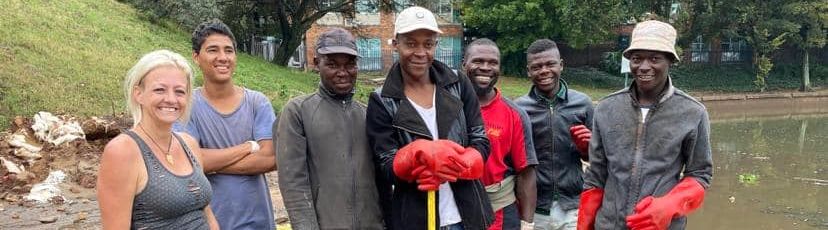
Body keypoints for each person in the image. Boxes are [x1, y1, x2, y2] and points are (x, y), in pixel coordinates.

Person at [366, 6, 494, 230]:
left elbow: (480, 141)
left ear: (435, 45)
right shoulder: (382, 100)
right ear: (396, 45)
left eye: (428, 43)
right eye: (411, 43)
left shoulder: (458, 83)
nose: (420, 52)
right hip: (416, 219)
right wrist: (414, 156)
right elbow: (385, 165)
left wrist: (461, 164)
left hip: (467, 216)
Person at [579, 20, 712, 230]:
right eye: (637, 58)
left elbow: (700, 174)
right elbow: (595, 176)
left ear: (670, 61)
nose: (643, 67)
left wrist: (669, 205)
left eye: (654, 58)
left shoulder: (693, 113)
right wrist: (584, 225)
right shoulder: (606, 108)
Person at [97, 49, 218, 229]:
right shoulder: (123, 151)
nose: (171, 99)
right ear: (138, 94)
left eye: (179, 92)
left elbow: (206, 213)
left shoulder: (189, 144)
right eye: (160, 90)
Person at [275, 27, 384, 229]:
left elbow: (382, 181)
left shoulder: (368, 113)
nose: (342, 73)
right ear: (317, 63)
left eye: (350, 64)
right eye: (332, 64)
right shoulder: (299, 111)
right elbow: (293, 184)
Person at [175, 19, 278, 229]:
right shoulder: (186, 107)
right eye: (213, 50)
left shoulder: (257, 103)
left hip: (259, 222)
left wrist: (209, 164)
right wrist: (248, 147)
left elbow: (270, 158)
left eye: (228, 51)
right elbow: (187, 160)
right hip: (209, 223)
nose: (223, 57)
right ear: (196, 57)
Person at [513, 39, 594, 230]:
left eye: (550, 64)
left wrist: (586, 148)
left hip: (572, 205)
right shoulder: (518, 109)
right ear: (528, 71)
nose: (544, 71)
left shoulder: (583, 103)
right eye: (537, 66)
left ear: (561, 65)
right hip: (535, 207)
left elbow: (597, 156)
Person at [462, 38, 538, 230]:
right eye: (478, 61)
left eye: (493, 63)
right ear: (464, 65)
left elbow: (526, 172)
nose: (486, 67)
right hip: (454, 210)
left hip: (499, 212)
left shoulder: (515, 115)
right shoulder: (447, 107)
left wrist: (527, 224)